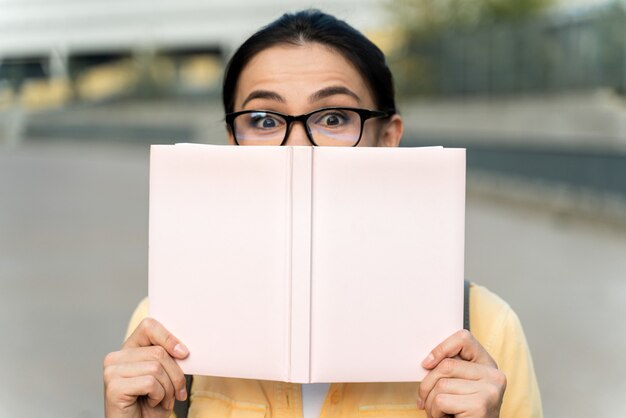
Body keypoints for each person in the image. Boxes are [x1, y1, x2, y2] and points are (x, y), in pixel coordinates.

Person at [103, 9, 542, 418]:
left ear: (387, 138)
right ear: (231, 142)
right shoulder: (165, 323)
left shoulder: (483, 325)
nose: (298, 149)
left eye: (333, 118)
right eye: (263, 119)